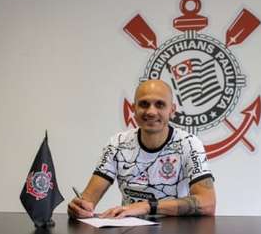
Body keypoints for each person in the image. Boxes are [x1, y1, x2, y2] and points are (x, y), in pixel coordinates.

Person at [68, 79, 216, 219]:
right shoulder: (117, 143)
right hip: (129, 228)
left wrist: (147, 206)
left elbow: (208, 203)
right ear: (134, 108)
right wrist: (79, 208)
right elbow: (88, 199)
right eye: (144, 104)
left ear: (172, 110)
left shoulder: (189, 143)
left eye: (160, 104)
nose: (151, 112)